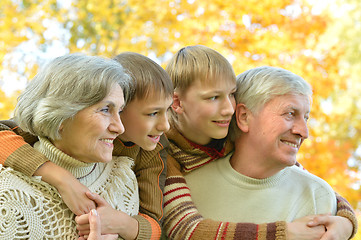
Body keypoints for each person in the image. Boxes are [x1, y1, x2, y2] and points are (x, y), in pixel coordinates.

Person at [162, 45, 357, 239]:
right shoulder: (164, 157)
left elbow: (311, 183)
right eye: (290, 114)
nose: (228, 109)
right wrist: (283, 233)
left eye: (231, 95)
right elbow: (186, 230)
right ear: (244, 117)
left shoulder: (224, 137)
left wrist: (347, 220)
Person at [0, 52, 173, 239]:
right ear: (61, 116)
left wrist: (119, 224)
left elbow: (154, 223)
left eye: (119, 111)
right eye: (106, 110)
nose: (119, 127)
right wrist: (62, 179)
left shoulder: (127, 178)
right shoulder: (9, 191)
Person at [185, 65, 337, 225]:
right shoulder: (186, 191)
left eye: (306, 118)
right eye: (290, 114)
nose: (304, 132)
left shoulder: (317, 196)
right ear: (244, 117)